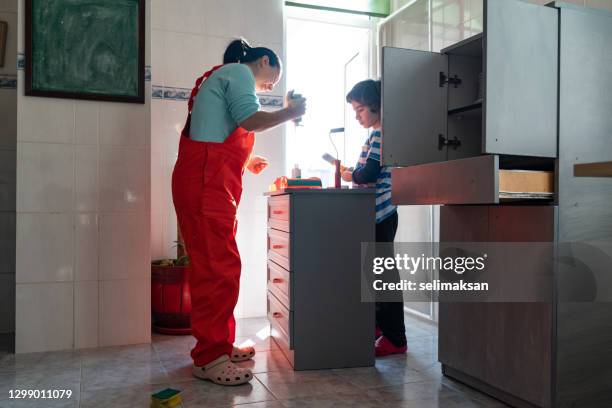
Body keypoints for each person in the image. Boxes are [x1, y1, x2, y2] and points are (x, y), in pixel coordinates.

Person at [172, 38, 306, 385]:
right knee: (218, 271)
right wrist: (292, 111)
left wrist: (246, 160)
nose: (268, 86)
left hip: (207, 183)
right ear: (264, 61)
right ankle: (209, 358)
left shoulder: (219, 77)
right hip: (207, 185)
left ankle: (219, 346)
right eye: (271, 80)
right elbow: (251, 118)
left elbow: (212, 132)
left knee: (221, 268)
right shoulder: (237, 71)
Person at [342, 79, 407, 357]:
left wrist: (350, 175)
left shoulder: (382, 136)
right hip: (379, 214)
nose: (357, 116)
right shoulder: (376, 135)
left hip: (382, 214)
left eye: (360, 110)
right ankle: (380, 327)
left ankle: (396, 338)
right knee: (376, 273)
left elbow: (368, 174)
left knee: (383, 275)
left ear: (377, 107)